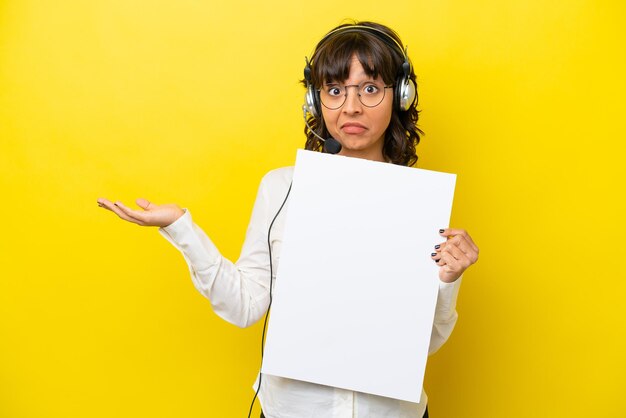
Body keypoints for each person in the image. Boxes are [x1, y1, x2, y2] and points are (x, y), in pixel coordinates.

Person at [98, 21, 479, 418]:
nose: (351, 107)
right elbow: (244, 305)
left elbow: (425, 344)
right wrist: (180, 227)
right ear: (315, 102)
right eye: (334, 90)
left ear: (400, 96)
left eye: (369, 88)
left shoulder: (418, 200)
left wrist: (449, 280)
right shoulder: (282, 189)